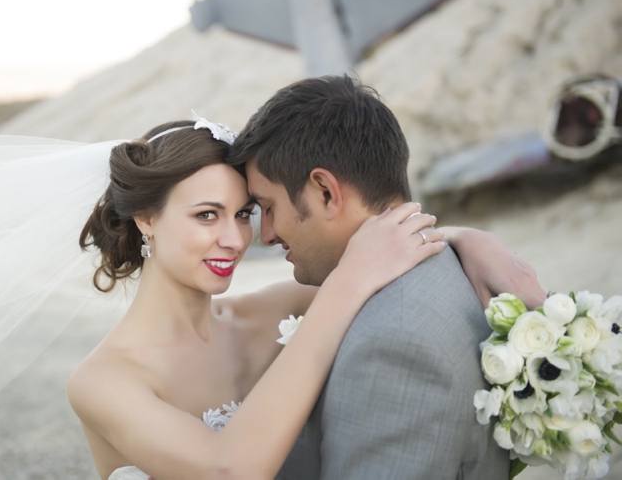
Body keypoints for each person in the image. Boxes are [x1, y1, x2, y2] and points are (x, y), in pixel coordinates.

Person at [67, 112, 543, 479]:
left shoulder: (272, 311)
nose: (236, 240)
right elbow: (228, 469)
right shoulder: (102, 382)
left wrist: (466, 238)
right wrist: (346, 283)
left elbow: (382, 250)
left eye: (245, 213)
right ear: (146, 217)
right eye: (207, 215)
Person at [225, 74, 540, 479]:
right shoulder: (449, 266)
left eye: (268, 207)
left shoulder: (394, 339)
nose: (265, 234)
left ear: (325, 192)